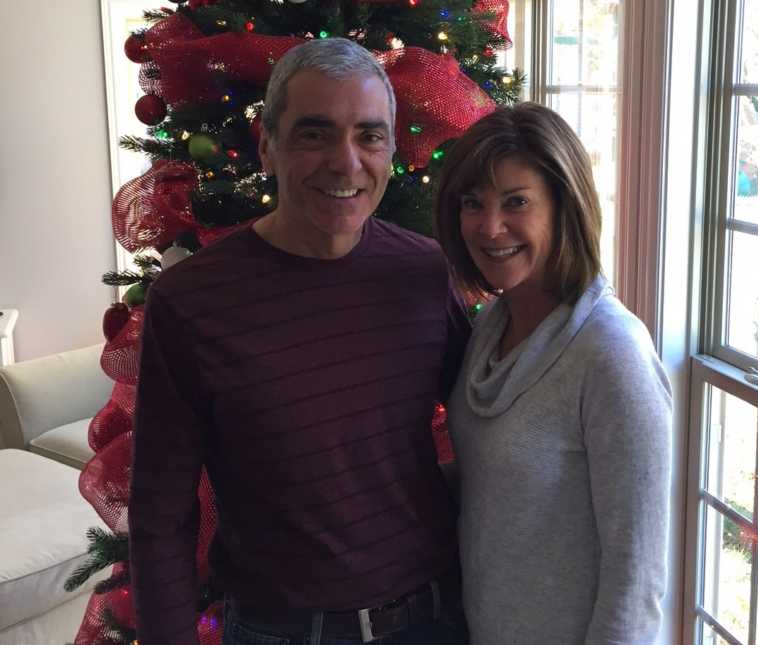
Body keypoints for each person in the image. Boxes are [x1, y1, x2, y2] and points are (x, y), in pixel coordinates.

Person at [129, 38, 471, 645]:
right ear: (267, 145)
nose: (346, 162)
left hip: (434, 621)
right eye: (315, 134)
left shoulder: (425, 272)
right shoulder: (190, 302)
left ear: (392, 148)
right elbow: (161, 513)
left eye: (369, 135)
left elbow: (496, 423)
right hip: (279, 632)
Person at [434, 102, 672, 644]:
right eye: (474, 203)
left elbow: (635, 580)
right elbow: (493, 483)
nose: (490, 228)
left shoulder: (613, 355)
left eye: (516, 202)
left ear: (565, 207)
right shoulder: (494, 322)